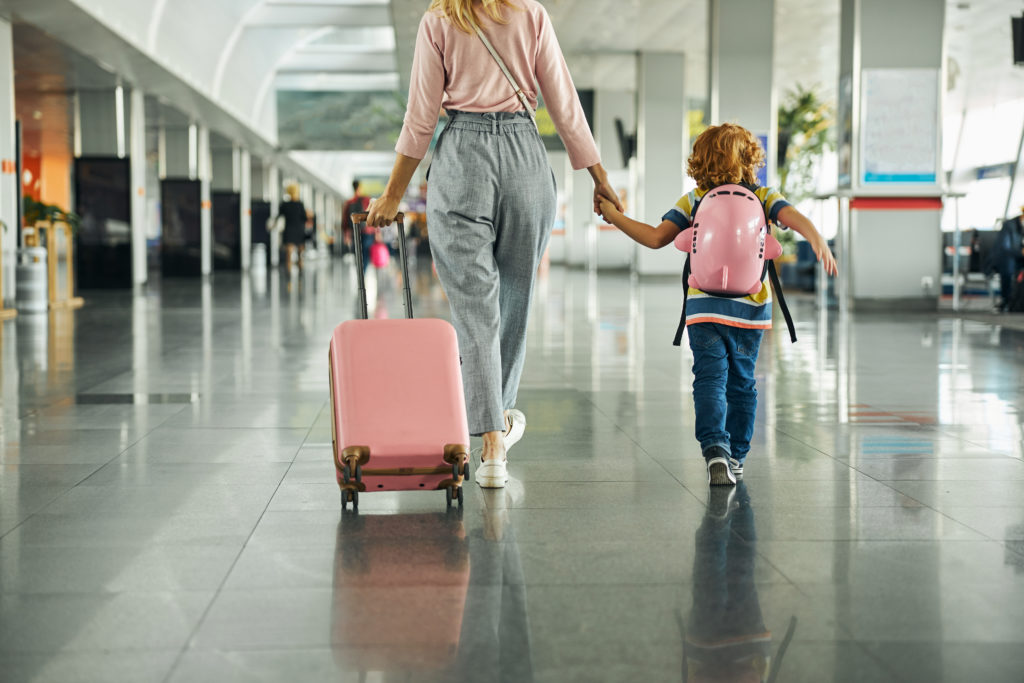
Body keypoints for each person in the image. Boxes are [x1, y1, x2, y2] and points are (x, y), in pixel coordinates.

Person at [366, 0, 621, 488]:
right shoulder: (531, 14)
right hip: (525, 156)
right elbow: (564, 103)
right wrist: (599, 177)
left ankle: (490, 445)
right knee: (516, 296)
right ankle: (497, 425)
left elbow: (421, 118)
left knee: (475, 311)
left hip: (462, 157)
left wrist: (393, 195)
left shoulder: (439, 20)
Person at [598, 123, 837, 486]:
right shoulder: (762, 195)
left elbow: (655, 238)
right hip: (751, 310)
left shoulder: (694, 199)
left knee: (709, 379)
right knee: (743, 383)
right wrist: (816, 237)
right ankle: (737, 456)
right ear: (749, 160)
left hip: (703, 309)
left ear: (701, 161)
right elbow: (792, 217)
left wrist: (614, 216)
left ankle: (715, 450)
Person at [994, 207, 1024, 312]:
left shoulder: (1021, 227)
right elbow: (1005, 247)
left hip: (1018, 258)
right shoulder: (1009, 225)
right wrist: (1021, 252)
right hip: (1005, 258)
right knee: (1008, 263)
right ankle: (1007, 299)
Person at [278, 183, 309, 269]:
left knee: (289, 254)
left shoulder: (284, 204)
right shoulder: (300, 204)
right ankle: (300, 271)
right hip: (299, 230)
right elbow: (305, 218)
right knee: (300, 254)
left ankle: (289, 274)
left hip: (289, 230)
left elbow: (279, 216)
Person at [341, 179, 371, 262]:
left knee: (357, 253)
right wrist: (377, 231)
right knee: (365, 254)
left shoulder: (349, 202)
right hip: (367, 231)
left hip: (354, 230)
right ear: (360, 187)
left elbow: (345, 220)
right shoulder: (366, 199)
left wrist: (346, 234)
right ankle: (363, 272)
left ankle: (359, 272)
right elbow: (371, 214)